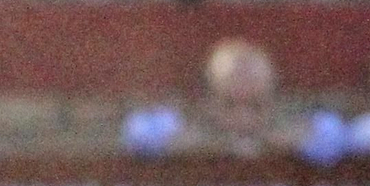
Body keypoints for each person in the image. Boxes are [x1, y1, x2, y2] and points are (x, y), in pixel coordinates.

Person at [123, 40, 293, 159]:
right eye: (229, 105)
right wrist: (213, 147)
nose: (243, 118)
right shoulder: (170, 128)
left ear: (273, 103)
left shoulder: (297, 135)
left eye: (256, 106)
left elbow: (318, 134)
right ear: (206, 101)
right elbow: (138, 134)